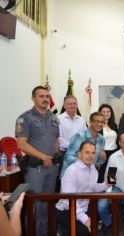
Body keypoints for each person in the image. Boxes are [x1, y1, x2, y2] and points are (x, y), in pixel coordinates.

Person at [15, 85, 60, 236]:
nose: (45, 99)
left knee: (47, 205)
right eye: (41, 96)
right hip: (36, 169)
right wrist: (43, 157)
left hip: (51, 167)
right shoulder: (25, 118)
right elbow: (21, 143)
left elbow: (55, 139)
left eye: (47, 96)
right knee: (34, 206)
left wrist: (57, 155)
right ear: (33, 98)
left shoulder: (53, 117)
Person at [56, 141, 110, 236]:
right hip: (66, 211)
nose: (90, 156)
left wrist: (105, 184)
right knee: (85, 232)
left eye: (93, 153)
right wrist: (84, 219)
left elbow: (92, 188)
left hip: (82, 209)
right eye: (87, 152)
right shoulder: (72, 170)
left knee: (92, 231)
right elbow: (69, 198)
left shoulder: (93, 170)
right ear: (79, 154)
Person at [60, 112, 106, 178]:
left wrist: (102, 159)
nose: (99, 124)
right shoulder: (80, 136)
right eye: (97, 121)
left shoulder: (102, 139)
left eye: (102, 122)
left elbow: (97, 162)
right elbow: (68, 157)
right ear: (90, 122)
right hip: (72, 176)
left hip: (87, 177)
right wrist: (86, 163)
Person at [98, 104, 118, 182]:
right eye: (104, 112)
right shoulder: (97, 125)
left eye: (108, 111)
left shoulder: (114, 125)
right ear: (100, 113)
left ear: (111, 113)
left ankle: (110, 190)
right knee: (101, 175)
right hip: (102, 154)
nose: (106, 113)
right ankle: (100, 192)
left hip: (114, 153)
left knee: (112, 175)